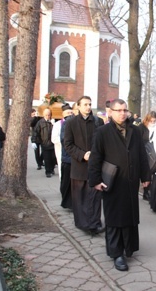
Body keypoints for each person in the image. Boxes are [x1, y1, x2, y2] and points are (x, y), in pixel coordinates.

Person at [88, 99, 151, 271]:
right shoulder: (102, 132)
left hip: (131, 181)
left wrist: (146, 176)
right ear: (111, 112)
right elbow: (95, 158)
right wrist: (95, 180)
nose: (122, 113)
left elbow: (142, 155)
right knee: (115, 218)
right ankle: (117, 253)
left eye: (125, 110)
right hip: (112, 181)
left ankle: (129, 247)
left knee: (130, 215)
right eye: (118, 110)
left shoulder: (135, 131)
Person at [64, 96, 105, 234]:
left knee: (95, 196)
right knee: (80, 197)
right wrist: (82, 155)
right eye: (85, 104)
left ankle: (94, 223)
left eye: (90, 104)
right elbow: (68, 144)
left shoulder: (98, 122)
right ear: (78, 106)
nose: (88, 107)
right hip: (79, 166)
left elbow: (103, 142)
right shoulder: (71, 122)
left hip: (95, 166)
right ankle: (82, 223)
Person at [138, 111, 156, 201]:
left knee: (151, 172)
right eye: (151, 121)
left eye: (154, 121)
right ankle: (145, 191)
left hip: (153, 152)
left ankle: (148, 192)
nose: (153, 123)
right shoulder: (141, 127)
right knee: (146, 172)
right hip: (144, 151)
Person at [51, 104, 73, 181]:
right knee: (62, 170)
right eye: (68, 113)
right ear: (63, 114)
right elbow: (54, 138)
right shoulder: (57, 125)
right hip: (61, 150)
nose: (70, 115)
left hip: (73, 151)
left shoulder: (75, 123)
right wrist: (67, 142)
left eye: (71, 113)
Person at [32, 108, 56, 178]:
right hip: (45, 143)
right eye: (46, 115)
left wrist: (54, 124)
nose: (48, 116)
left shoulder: (53, 122)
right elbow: (35, 132)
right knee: (47, 158)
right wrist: (33, 141)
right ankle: (48, 172)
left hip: (53, 143)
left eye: (49, 115)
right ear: (43, 115)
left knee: (53, 158)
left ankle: (51, 169)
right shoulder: (40, 122)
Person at [59, 107, 75, 209]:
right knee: (66, 182)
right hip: (68, 158)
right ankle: (67, 202)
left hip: (77, 159)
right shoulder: (65, 124)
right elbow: (64, 140)